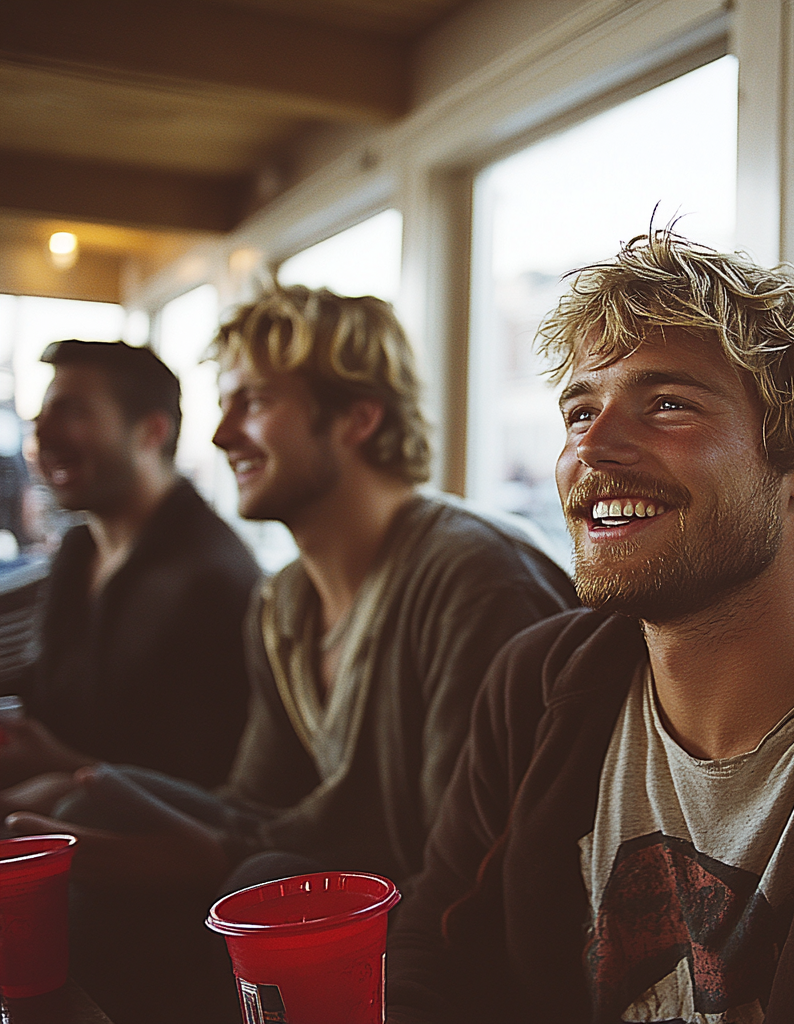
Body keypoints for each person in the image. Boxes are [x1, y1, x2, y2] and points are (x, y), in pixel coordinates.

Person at [386, 231, 794, 1024]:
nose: (591, 443)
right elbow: (435, 951)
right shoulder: (537, 687)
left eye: (667, 405)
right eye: (580, 408)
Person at [5, 287, 577, 1024]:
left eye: (253, 402)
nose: (219, 435)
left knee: (259, 875)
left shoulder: (472, 580)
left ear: (357, 417)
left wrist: (207, 854)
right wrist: (96, 790)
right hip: (356, 890)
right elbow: (256, 801)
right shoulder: (284, 605)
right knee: (88, 803)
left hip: (460, 949)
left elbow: (463, 872)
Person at [1, 340, 259, 790]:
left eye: (73, 412)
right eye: (43, 415)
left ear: (151, 432)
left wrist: (62, 766)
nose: (43, 432)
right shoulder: (78, 548)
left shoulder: (213, 577)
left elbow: (209, 787)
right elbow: (44, 697)